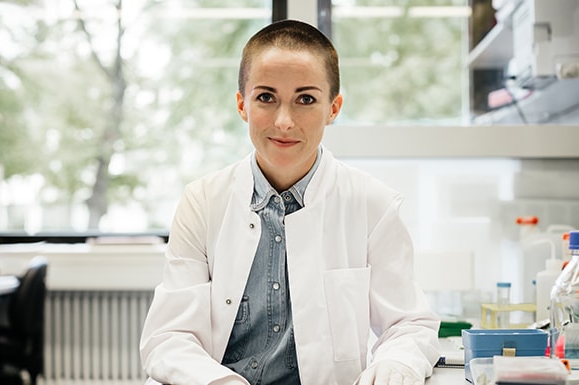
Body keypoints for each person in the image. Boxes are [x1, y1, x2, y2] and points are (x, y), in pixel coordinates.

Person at [140, 19, 440, 385]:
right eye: (266, 97)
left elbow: (409, 325)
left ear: (333, 108)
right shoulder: (202, 201)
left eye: (306, 99)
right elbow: (169, 336)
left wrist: (393, 369)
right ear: (241, 104)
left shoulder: (371, 204)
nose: (284, 121)